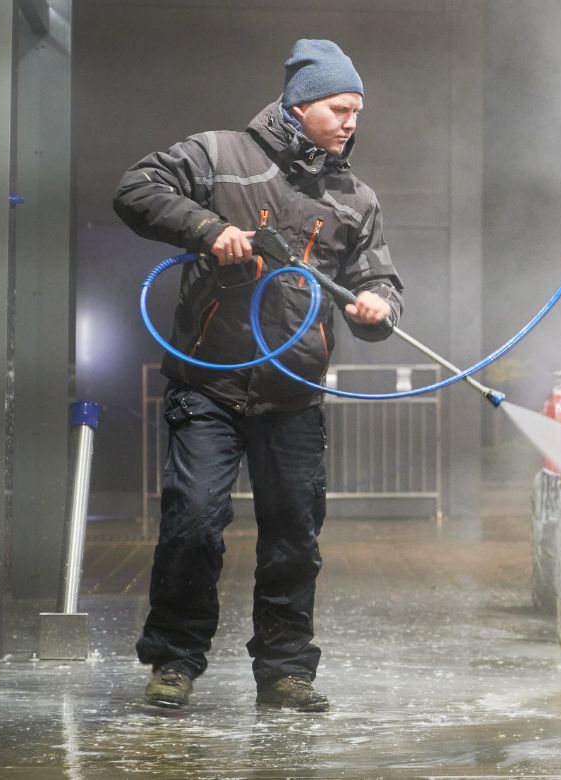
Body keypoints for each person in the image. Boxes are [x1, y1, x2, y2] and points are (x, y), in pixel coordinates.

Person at [113, 39, 403, 712]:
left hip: (293, 396)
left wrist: (378, 308)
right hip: (208, 386)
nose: (351, 121)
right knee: (191, 524)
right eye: (339, 108)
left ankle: (285, 672)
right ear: (300, 105)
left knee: (293, 537)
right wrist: (208, 228)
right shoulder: (220, 154)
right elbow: (135, 189)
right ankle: (174, 663)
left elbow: (379, 278)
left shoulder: (355, 198)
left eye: (358, 110)